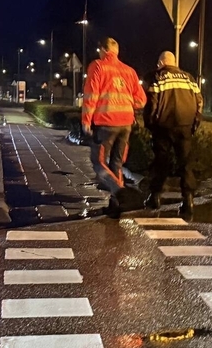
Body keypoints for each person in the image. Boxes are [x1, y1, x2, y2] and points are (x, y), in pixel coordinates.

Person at [81, 38, 147, 210]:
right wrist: (126, 102)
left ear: (103, 50)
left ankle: (120, 192)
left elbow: (91, 96)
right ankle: (115, 203)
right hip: (126, 123)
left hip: (106, 122)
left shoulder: (98, 66)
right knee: (116, 162)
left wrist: (86, 121)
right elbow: (141, 100)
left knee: (98, 162)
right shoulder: (129, 71)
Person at [143, 51, 203, 218]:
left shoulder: (158, 77)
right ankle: (188, 200)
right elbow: (199, 102)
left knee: (161, 162)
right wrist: (195, 123)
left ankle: (155, 197)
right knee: (185, 163)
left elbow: (152, 104)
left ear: (161, 62)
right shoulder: (189, 78)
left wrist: (150, 124)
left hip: (163, 126)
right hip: (185, 126)